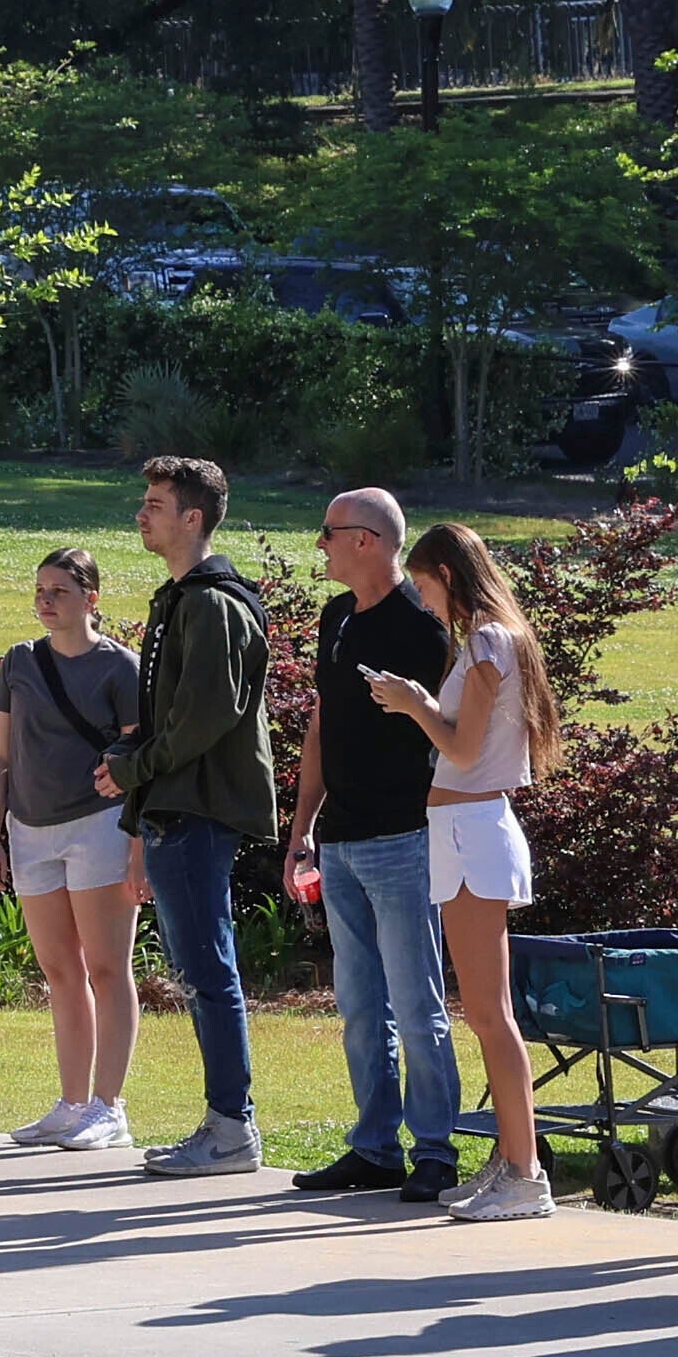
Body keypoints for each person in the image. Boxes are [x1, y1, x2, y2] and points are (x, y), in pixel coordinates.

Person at [354, 521, 564, 1224]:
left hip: (473, 830)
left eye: (423, 582)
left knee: (489, 1014)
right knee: (482, 1010)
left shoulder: (487, 641)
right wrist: (419, 700)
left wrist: (416, 704)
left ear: (447, 571)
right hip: (461, 831)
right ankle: (511, 1157)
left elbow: (465, 750)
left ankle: (525, 1170)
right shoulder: (489, 641)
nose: (421, 596)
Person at [283, 489, 455, 1198]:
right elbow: (323, 726)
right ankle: (375, 1145)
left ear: (368, 540)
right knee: (358, 1005)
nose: (318, 543)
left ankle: (437, 1150)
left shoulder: (423, 624)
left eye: (328, 531)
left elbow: (457, 729)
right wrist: (302, 832)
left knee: (417, 1002)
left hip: (406, 836)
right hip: (343, 840)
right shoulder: (337, 617)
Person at [110, 455, 273, 1180]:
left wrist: (133, 768)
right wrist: (135, 758)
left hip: (197, 807)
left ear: (193, 518)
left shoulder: (210, 603)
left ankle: (232, 1127)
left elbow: (207, 716)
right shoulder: (183, 598)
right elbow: (174, 714)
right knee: (203, 970)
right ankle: (224, 1122)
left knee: (209, 971)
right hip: (179, 804)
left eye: (154, 503)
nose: (141, 514)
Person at [0, 544, 145, 1153]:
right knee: (58, 969)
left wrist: (138, 845)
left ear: (91, 600)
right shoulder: (19, 662)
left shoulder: (121, 667)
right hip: (29, 828)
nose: (46, 602)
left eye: (60, 592)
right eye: (40, 591)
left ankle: (110, 1107)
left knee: (106, 967)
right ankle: (72, 1102)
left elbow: (138, 764)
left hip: (99, 825)